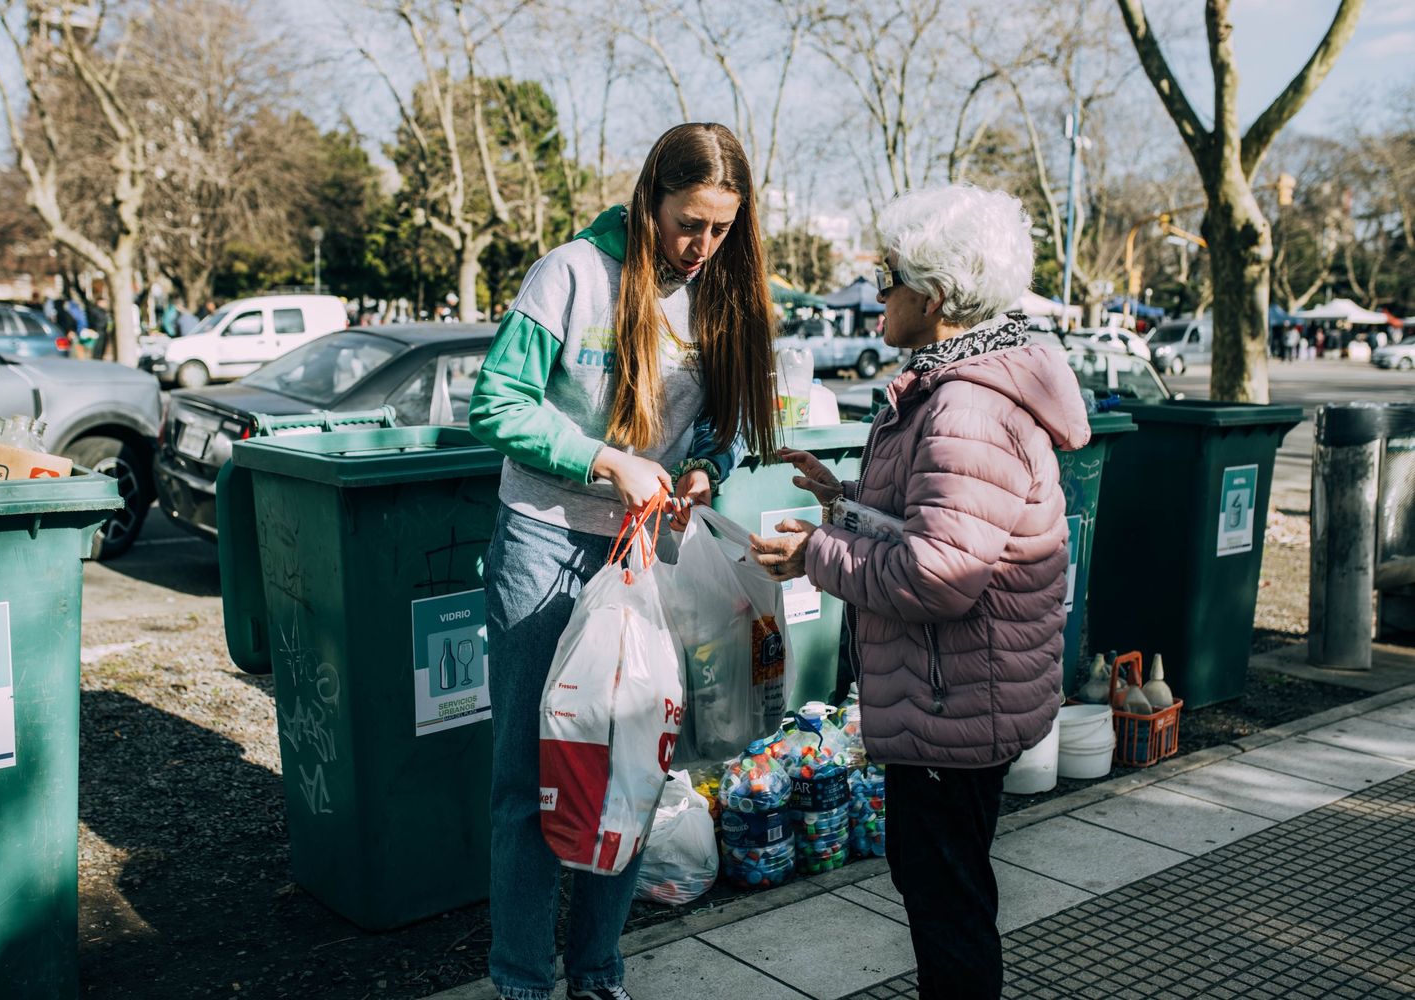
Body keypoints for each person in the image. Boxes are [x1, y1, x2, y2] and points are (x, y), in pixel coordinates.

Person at [748, 184, 1090, 1000]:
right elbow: (929, 525)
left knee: (948, 911)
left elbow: (941, 575)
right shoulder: (953, 386)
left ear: (934, 298)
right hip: (958, 694)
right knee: (943, 892)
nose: (877, 296)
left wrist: (814, 556)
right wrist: (841, 502)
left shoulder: (964, 407)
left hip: (952, 704)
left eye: (889, 278)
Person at [467, 122, 779, 1000]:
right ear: (651, 200)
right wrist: (603, 460)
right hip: (544, 543)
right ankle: (522, 979)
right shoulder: (570, 275)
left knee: (632, 764)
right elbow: (495, 405)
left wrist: (704, 468)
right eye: (690, 224)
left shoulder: (718, 291)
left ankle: (598, 970)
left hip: (643, 554)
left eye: (723, 229)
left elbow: (722, 421)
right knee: (536, 772)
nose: (703, 247)